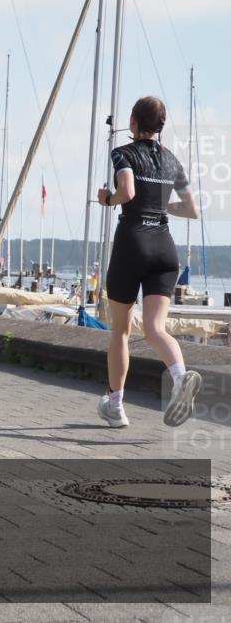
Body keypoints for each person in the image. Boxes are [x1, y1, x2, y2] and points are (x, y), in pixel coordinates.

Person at [96, 96, 202, 428]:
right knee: (156, 328)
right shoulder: (172, 161)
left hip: (133, 243)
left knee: (122, 331)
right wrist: (160, 207)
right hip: (164, 249)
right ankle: (180, 377)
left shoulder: (122, 153)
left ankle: (116, 406)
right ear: (160, 126)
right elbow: (191, 210)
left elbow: (126, 192)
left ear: (134, 122)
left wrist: (107, 199)